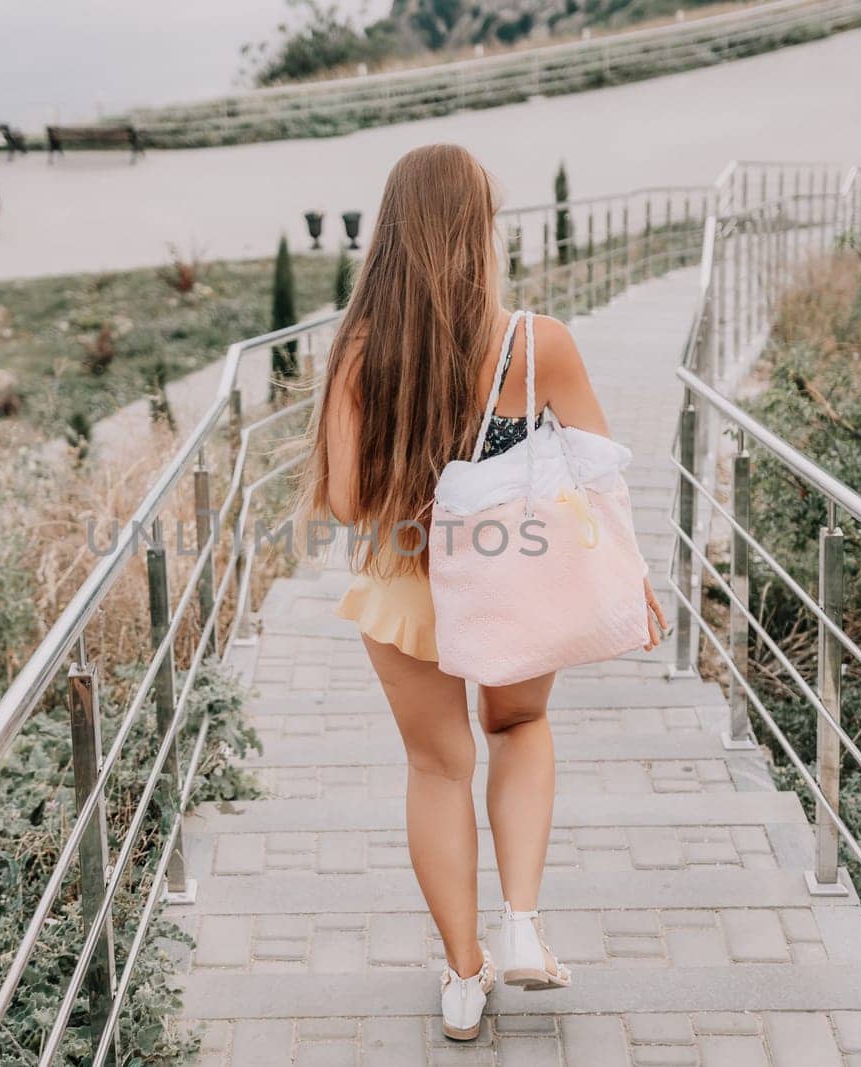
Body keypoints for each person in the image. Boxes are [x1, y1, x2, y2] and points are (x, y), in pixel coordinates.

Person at [302, 144, 668, 1041]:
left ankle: (464, 977)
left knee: (437, 768)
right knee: (519, 727)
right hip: (515, 580)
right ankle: (522, 924)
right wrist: (638, 580)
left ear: (392, 235)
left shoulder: (358, 350)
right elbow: (597, 472)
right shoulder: (537, 344)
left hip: (405, 581)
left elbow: (347, 501)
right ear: (479, 233)